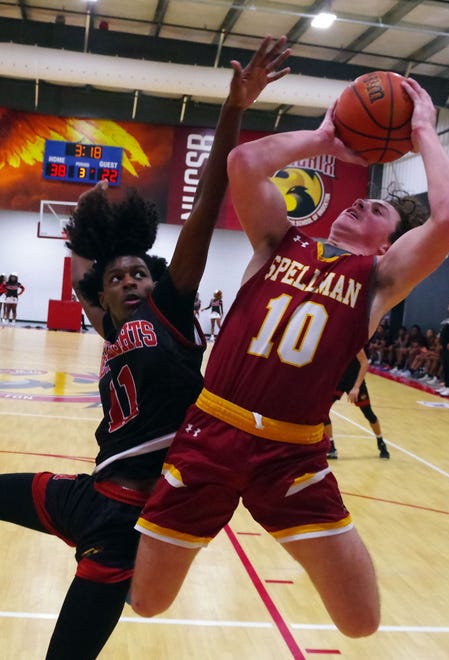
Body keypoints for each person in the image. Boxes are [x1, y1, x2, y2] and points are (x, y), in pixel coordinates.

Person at [131, 75, 449, 638]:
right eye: (362, 198)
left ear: (390, 244)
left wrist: (424, 131)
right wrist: (325, 138)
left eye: (378, 210)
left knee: (360, 622)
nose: (362, 201)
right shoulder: (278, 241)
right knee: (147, 602)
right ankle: (113, 521)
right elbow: (243, 163)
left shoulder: (380, 279)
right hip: (210, 434)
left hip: (292, 457)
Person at [0, 37, 290, 660]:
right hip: (87, 493)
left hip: (128, 522)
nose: (131, 280)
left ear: (157, 282)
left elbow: (206, 207)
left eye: (140, 273)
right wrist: (87, 218)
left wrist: (234, 109)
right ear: (100, 295)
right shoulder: (107, 328)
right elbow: (85, 257)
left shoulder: (171, 310)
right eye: (117, 276)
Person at [325, 349, 390, 460]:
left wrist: (356, 387)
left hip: (354, 381)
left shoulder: (353, 341)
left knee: (368, 413)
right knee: (323, 411)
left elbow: (364, 363)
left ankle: (381, 442)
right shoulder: (333, 340)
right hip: (339, 380)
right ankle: (331, 447)